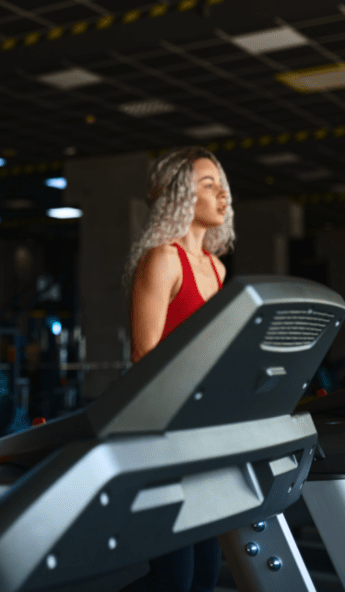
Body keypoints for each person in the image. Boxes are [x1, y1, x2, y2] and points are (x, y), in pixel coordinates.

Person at [122, 147, 235, 592]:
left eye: (222, 184)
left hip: (205, 435)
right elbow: (144, 356)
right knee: (173, 579)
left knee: (206, 573)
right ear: (180, 196)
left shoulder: (217, 267)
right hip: (165, 434)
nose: (222, 193)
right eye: (209, 184)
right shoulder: (163, 260)